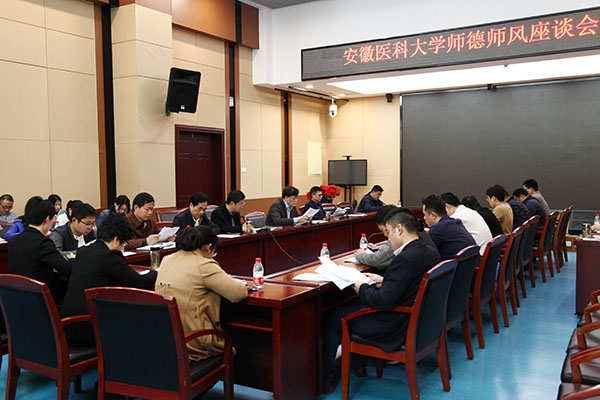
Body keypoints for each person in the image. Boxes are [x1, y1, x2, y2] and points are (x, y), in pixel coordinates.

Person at [322, 207, 441, 393]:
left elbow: (382, 302)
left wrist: (362, 287)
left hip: (394, 324)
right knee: (352, 306)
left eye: (389, 233)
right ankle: (357, 365)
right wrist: (385, 281)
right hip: (419, 320)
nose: (388, 239)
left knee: (334, 316)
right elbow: (411, 284)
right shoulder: (429, 251)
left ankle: (328, 378)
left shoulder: (404, 258)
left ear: (399, 229)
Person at [61, 213, 157, 345]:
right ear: (116, 240)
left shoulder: (83, 251)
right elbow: (140, 282)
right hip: (91, 327)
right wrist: (156, 272)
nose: (123, 248)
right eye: (124, 243)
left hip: (69, 325)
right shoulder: (110, 257)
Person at [155, 225, 248, 361]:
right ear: (209, 248)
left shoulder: (167, 259)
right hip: (194, 343)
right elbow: (239, 293)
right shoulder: (203, 264)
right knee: (234, 344)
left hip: (168, 341)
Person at [7, 196, 72, 301]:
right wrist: (72, 258)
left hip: (16, 298)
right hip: (40, 299)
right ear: (47, 219)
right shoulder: (43, 243)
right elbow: (66, 269)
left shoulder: (13, 241)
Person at [422, 194, 476, 260]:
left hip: (458, 265)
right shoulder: (454, 222)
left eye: (424, 214)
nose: (424, 218)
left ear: (433, 215)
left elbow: (421, 249)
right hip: (471, 263)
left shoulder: (438, 229)